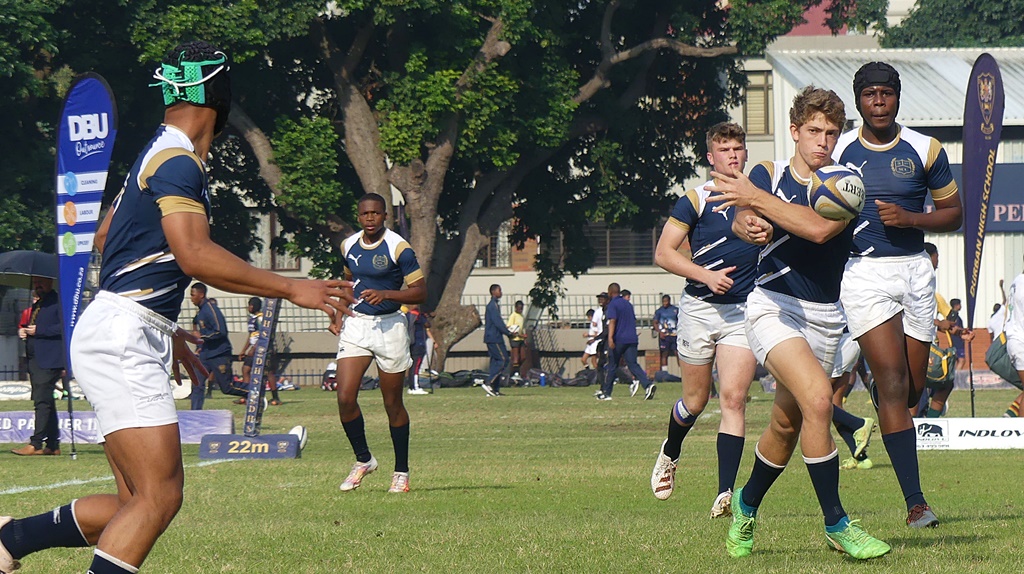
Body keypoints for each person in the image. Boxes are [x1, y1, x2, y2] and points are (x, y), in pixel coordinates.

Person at [0, 40, 352, 574]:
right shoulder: (178, 161)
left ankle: (12, 539)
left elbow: (105, 238)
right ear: (218, 93)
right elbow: (194, 254)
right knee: (159, 498)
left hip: (118, 325)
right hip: (121, 332)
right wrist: (292, 287)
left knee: (133, 506)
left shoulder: (155, 153)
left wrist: (162, 326)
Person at [708, 86, 890, 559]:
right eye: (813, 131)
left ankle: (746, 507)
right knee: (818, 402)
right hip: (773, 307)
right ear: (794, 130)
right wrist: (746, 220)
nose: (822, 142)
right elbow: (740, 219)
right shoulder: (767, 174)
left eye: (831, 132)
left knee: (787, 427)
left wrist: (755, 201)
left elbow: (816, 228)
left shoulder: (846, 183)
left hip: (826, 318)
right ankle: (837, 523)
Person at [832, 62, 962, 529]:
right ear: (859, 100)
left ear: (898, 98)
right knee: (889, 384)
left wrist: (911, 221)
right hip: (863, 274)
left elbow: (954, 214)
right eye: (870, 95)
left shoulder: (925, 148)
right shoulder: (839, 148)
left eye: (887, 93)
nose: (879, 101)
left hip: (915, 274)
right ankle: (916, 503)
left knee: (911, 390)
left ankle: (883, 418)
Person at [649, 121, 760, 516]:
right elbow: (664, 253)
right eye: (724, 149)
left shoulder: (761, 199)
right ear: (711, 158)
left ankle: (725, 492)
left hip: (743, 312)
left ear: (746, 153)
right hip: (698, 309)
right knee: (694, 402)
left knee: (733, 399)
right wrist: (705, 275)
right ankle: (670, 452)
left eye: (738, 148)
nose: (733, 154)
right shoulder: (695, 200)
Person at [333, 192, 426, 494]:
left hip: (390, 329)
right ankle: (364, 460)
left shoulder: (399, 247)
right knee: (345, 397)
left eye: (375, 213)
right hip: (357, 325)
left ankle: (401, 472)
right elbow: (347, 283)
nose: (370, 218)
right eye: (364, 214)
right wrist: (338, 313)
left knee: (392, 403)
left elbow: (421, 292)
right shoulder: (348, 245)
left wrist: (387, 294)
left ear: (386, 215)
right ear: (358, 217)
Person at [11, 277, 64, 457]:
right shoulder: (39, 303)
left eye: (41, 282)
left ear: (50, 282)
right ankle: (53, 444)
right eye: (35, 283)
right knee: (46, 401)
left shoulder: (58, 302)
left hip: (49, 359)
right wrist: (24, 331)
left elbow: (64, 327)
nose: (37, 286)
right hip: (35, 358)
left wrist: (38, 331)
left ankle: (36, 443)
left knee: (41, 401)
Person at [597, 283, 655, 401]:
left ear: (610, 292)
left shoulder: (613, 304)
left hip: (619, 339)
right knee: (633, 364)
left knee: (612, 365)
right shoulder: (628, 304)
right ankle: (648, 385)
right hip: (632, 338)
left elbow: (612, 321)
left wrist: (610, 338)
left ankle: (606, 393)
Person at [829, 329, 876, 470]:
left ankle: (859, 424)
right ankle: (861, 458)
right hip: (848, 340)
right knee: (834, 405)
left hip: (838, 341)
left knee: (811, 399)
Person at [188, 282, 233, 410]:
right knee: (197, 383)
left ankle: (253, 392)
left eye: (193, 295)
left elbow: (220, 331)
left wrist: (201, 336)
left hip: (219, 353)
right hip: (205, 354)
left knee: (227, 388)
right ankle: (194, 415)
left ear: (201, 294)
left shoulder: (211, 309)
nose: (191, 298)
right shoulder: (200, 312)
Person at [236, 297, 283, 406]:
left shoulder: (261, 319)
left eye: (249, 305)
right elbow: (251, 335)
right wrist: (244, 350)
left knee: (268, 372)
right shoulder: (253, 319)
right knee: (246, 370)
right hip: (254, 348)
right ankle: (246, 396)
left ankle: (276, 398)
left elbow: (264, 335)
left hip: (262, 348)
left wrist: (255, 347)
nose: (248, 307)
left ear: (253, 306)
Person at [482, 284, 513, 397]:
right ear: (493, 292)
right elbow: (497, 322)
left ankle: (495, 389)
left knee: (495, 362)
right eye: (499, 290)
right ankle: (489, 382)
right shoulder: (492, 305)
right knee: (503, 360)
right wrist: (508, 333)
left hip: (495, 337)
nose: (501, 293)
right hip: (494, 338)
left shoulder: (495, 305)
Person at [406, 304, 432, 395]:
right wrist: (425, 317)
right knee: (416, 366)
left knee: (412, 366)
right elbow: (427, 325)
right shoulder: (418, 315)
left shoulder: (408, 315)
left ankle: (412, 386)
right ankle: (415, 386)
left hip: (411, 342)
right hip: (418, 342)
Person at [652, 295, 679, 371]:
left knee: (677, 353)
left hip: (674, 335)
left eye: (666, 301)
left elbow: (680, 321)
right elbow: (655, 322)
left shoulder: (675, 310)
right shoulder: (659, 311)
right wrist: (659, 332)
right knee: (664, 353)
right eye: (663, 301)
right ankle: (664, 372)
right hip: (664, 335)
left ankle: (681, 372)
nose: (665, 303)